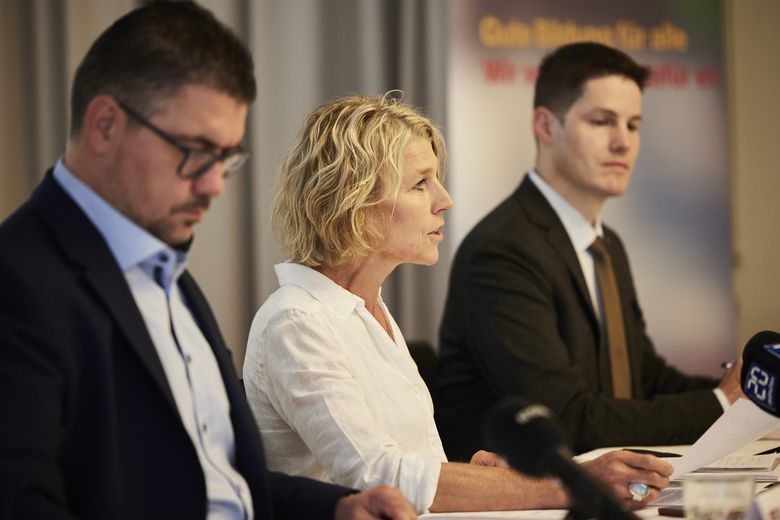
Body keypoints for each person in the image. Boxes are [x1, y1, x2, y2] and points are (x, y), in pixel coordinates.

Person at [0, 3, 416, 519]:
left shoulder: (170, 278)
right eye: (195, 150)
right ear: (105, 124)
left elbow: (217, 480)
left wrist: (337, 508)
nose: (214, 185)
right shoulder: (19, 280)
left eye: (225, 158)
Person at [242, 94, 672, 514]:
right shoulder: (297, 321)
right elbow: (377, 476)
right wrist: (576, 485)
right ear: (354, 202)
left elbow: (411, 468)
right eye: (420, 183)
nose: (444, 200)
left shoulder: (367, 311)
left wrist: (476, 476)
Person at [435, 42, 744, 460]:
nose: (623, 143)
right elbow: (564, 419)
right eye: (602, 122)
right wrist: (720, 404)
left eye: (633, 125)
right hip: (519, 501)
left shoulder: (606, 245)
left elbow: (641, 376)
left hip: (603, 480)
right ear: (545, 127)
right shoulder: (502, 251)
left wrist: (742, 392)